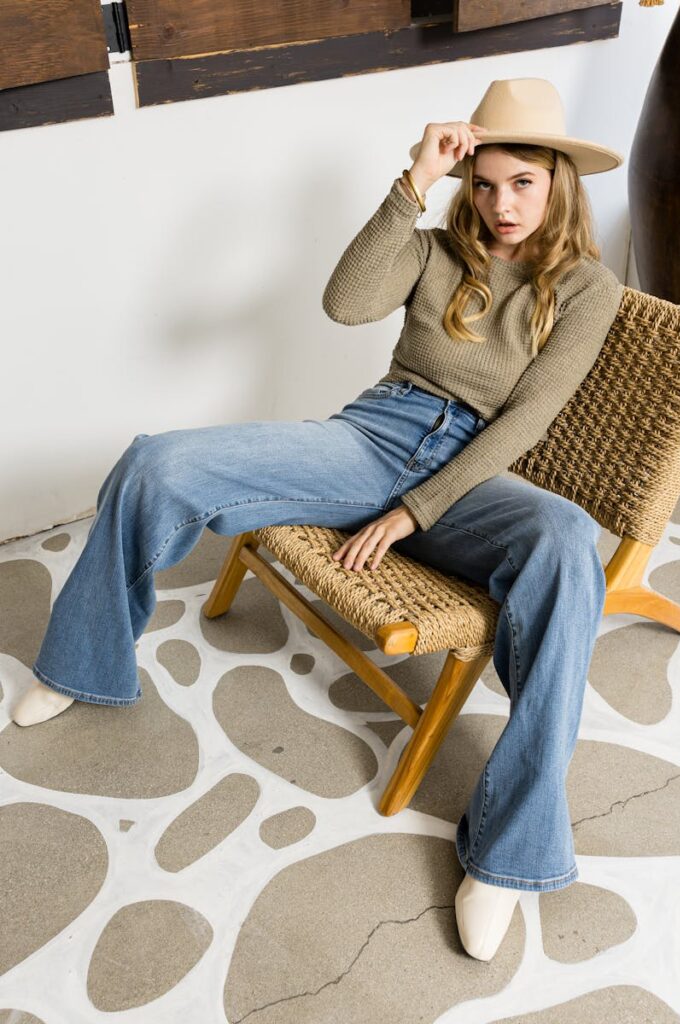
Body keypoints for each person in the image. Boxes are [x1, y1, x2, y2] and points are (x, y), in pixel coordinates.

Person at [12, 78, 625, 963]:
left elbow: (529, 417)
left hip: (470, 479)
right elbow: (345, 304)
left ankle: (509, 855)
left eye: (522, 182)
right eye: (483, 183)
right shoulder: (430, 249)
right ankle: (83, 661)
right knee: (156, 459)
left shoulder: (588, 288)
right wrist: (413, 178)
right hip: (374, 436)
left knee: (567, 538)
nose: (499, 204)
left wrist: (417, 513)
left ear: (559, 181)